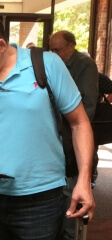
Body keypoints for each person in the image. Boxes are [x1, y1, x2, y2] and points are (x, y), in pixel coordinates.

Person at [0, 10, 95, 240]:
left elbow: (80, 123)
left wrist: (84, 180)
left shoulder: (48, 64)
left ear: (1, 45)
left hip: (39, 203)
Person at [49, 30, 99, 240]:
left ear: (70, 46)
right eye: (50, 50)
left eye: (57, 49)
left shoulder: (84, 65)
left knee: (72, 187)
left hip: (72, 135)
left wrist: (71, 129)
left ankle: (70, 234)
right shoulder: (54, 64)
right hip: (58, 133)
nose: (53, 53)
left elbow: (87, 106)